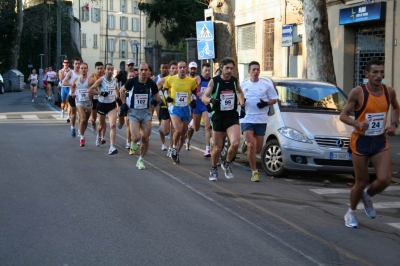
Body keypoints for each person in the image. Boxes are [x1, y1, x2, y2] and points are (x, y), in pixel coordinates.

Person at [340, 58, 399, 228]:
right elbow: (343, 115)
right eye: (375, 72)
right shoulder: (358, 92)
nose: (379, 76)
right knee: (361, 181)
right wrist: (357, 123)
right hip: (361, 141)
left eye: (381, 72)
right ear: (367, 74)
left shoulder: (389, 92)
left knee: (385, 180)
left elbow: (396, 108)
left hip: (379, 140)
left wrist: (394, 124)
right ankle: (351, 212)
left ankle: (367, 196)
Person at [202, 57, 245, 181]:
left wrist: (242, 104)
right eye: (227, 68)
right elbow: (204, 97)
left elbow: (240, 92)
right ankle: (214, 168)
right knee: (217, 148)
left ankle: (227, 163)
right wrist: (212, 100)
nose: (229, 71)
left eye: (232, 68)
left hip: (231, 116)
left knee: (235, 143)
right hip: (218, 117)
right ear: (221, 68)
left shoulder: (234, 81)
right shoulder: (214, 81)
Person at [240, 61, 278, 182]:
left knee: (257, 149)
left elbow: (274, 99)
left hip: (261, 119)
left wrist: (265, 103)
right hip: (247, 118)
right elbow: (237, 99)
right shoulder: (243, 84)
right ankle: (254, 172)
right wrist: (242, 103)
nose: (256, 72)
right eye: (253, 70)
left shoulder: (266, 84)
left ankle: (246, 144)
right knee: (251, 145)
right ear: (249, 71)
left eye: (257, 69)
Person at [120, 62, 160, 169]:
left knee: (146, 138)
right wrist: (124, 103)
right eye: (141, 70)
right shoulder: (132, 82)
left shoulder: (152, 83)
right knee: (137, 137)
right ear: (138, 72)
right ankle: (133, 141)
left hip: (146, 112)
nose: (143, 72)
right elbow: (121, 91)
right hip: (134, 112)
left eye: (145, 70)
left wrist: (155, 101)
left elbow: (158, 97)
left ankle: (141, 160)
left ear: (148, 71)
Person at [163, 61, 197, 164]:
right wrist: (167, 97)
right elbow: (164, 89)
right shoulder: (171, 79)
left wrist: (194, 100)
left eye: (183, 67)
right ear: (177, 69)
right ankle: (173, 147)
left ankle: (177, 152)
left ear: (186, 68)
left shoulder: (191, 81)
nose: (182, 69)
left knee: (183, 134)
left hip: (186, 108)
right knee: (177, 130)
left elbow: (194, 93)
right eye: (180, 67)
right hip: (174, 107)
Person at [89, 63, 119, 155]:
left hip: (112, 105)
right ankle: (98, 135)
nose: (110, 71)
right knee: (101, 125)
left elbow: (116, 89)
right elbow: (90, 90)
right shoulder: (101, 80)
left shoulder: (115, 80)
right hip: (102, 104)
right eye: (108, 69)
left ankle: (112, 147)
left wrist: (118, 98)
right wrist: (100, 93)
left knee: (113, 125)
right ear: (105, 70)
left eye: (111, 69)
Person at [185, 63, 212, 156]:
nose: (207, 72)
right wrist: (197, 94)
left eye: (209, 70)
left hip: (205, 106)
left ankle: (207, 149)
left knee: (208, 127)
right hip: (197, 105)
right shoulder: (197, 79)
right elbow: (189, 90)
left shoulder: (212, 81)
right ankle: (188, 136)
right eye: (206, 70)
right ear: (202, 70)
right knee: (196, 128)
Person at [70, 63, 92, 147]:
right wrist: (72, 92)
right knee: (82, 118)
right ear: (80, 70)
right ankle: (82, 138)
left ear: (87, 69)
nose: (83, 70)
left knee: (85, 121)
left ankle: (82, 131)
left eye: (85, 68)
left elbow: (96, 88)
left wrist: (94, 93)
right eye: (82, 68)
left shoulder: (90, 80)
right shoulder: (76, 79)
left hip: (88, 102)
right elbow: (72, 86)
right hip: (79, 102)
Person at [62, 57, 82, 137]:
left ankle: (80, 130)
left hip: (81, 96)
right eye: (76, 63)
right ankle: (73, 127)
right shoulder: (71, 73)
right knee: (73, 114)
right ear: (73, 64)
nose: (77, 65)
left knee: (81, 114)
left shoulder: (82, 72)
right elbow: (63, 82)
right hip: (72, 95)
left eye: (78, 63)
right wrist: (72, 84)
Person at [154, 62, 170, 151]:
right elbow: (154, 90)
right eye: (163, 67)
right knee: (161, 123)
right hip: (159, 102)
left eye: (166, 67)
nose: (164, 69)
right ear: (160, 68)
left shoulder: (170, 78)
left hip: (169, 103)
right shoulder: (157, 78)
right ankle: (163, 143)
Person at [89, 61, 104, 131]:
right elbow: (89, 88)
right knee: (93, 117)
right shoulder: (92, 77)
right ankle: (93, 123)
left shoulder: (105, 76)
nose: (100, 70)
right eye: (98, 68)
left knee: (102, 115)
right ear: (95, 68)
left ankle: (101, 127)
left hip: (103, 99)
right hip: (94, 98)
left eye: (101, 68)